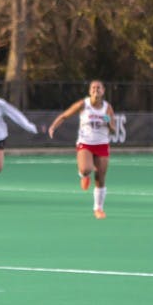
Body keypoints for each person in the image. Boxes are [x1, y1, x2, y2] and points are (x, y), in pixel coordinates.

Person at [49, 80, 116, 219]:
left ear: (103, 91)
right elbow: (64, 115)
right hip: (85, 143)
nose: (96, 90)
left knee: (100, 178)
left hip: (102, 143)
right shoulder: (83, 104)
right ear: (89, 91)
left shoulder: (107, 108)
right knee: (86, 169)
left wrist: (109, 122)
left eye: (99, 88)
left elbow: (114, 129)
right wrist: (53, 127)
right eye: (93, 87)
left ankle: (98, 208)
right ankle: (84, 176)